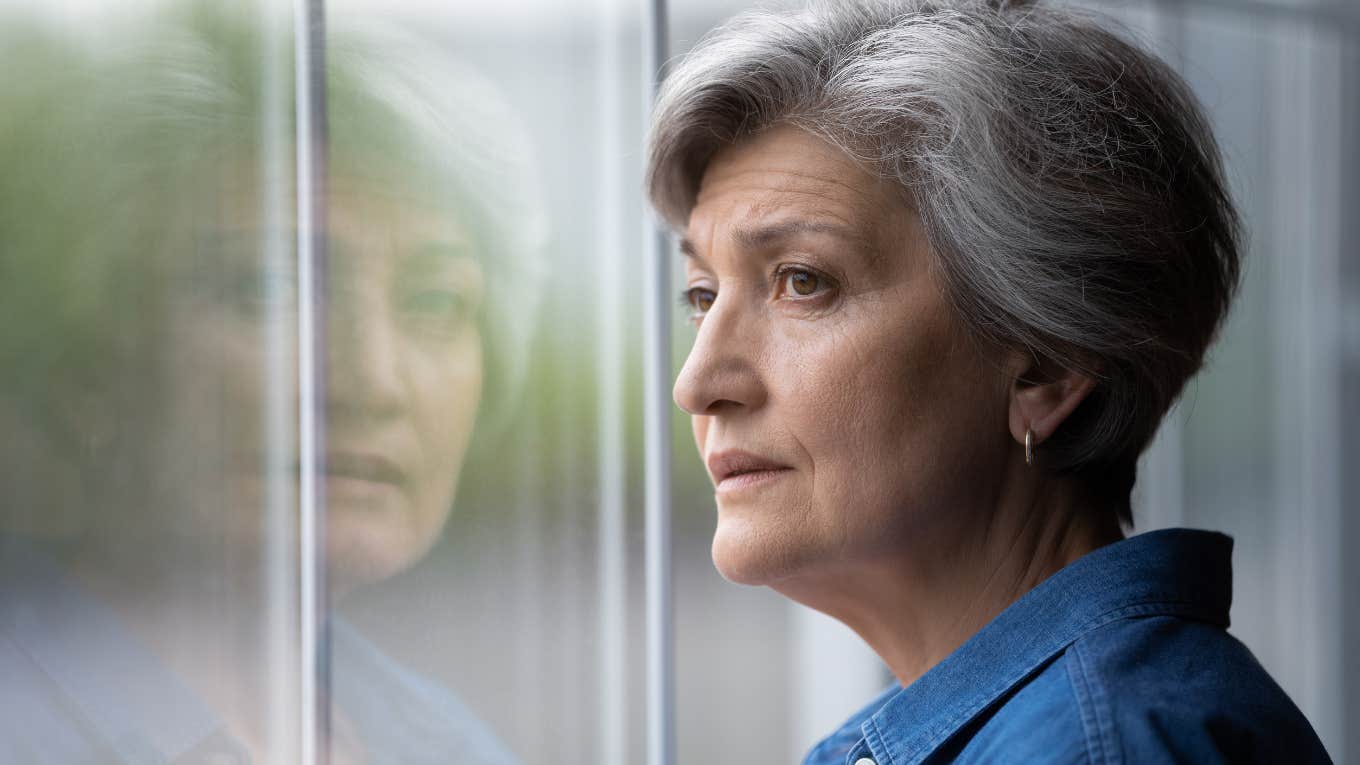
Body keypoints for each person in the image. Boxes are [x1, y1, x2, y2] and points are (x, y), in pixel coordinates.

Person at [646, 1, 1332, 762]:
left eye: (802, 281)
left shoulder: (1101, 747)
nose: (698, 382)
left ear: (1046, 361)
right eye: (702, 295)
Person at [0, 3, 540, 763]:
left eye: (435, 301)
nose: (374, 383)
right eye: (267, 287)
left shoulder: (451, 742)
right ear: (86, 362)